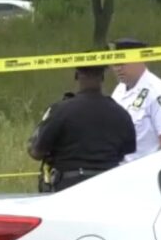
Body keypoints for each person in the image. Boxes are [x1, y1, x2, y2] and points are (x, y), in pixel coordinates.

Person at [28, 64, 136, 192]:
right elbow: (128, 149)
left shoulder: (61, 111)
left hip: (70, 188)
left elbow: (36, 152)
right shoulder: (120, 113)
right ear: (102, 77)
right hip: (109, 187)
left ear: (77, 76)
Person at [108, 37, 161, 163]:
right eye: (114, 63)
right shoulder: (120, 89)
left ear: (139, 59)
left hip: (143, 174)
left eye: (122, 62)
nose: (117, 68)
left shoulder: (158, 92)